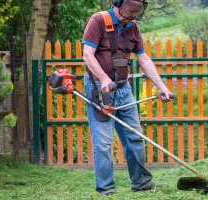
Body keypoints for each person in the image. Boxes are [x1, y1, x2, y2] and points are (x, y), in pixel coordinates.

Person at [82, 0, 172, 195]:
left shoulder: (133, 28)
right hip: (100, 90)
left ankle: (141, 184)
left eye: (137, 11)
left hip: (124, 90)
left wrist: (161, 86)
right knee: (104, 143)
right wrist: (104, 79)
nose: (133, 14)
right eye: (131, 10)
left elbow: (143, 58)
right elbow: (87, 55)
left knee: (135, 138)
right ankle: (106, 190)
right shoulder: (97, 21)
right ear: (118, 2)